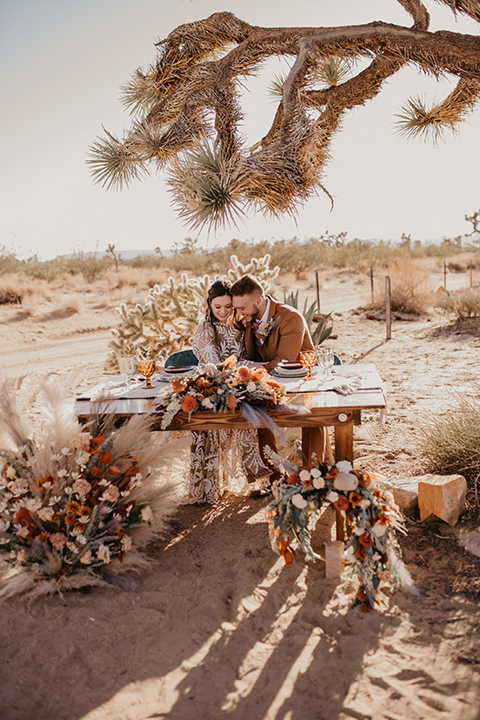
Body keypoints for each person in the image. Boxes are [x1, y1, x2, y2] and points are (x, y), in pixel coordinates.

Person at [186, 280, 271, 504]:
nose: (223, 312)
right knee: (235, 413)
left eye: (228, 307)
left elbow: (248, 354)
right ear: (209, 306)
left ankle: (253, 479)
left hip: (238, 381)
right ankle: (213, 486)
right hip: (215, 384)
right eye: (218, 307)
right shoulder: (206, 328)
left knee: (250, 410)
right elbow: (213, 362)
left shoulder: (240, 326)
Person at [230, 274, 325, 468]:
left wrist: (254, 367)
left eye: (242, 308)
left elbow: (285, 360)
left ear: (258, 301)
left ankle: (314, 473)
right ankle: (274, 476)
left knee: (312, 415)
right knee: (257, 409)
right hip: (269, 383)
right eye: (236, 308)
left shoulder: (291, 318)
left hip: (301, 380)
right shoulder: (249, 318)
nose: (239, 313)